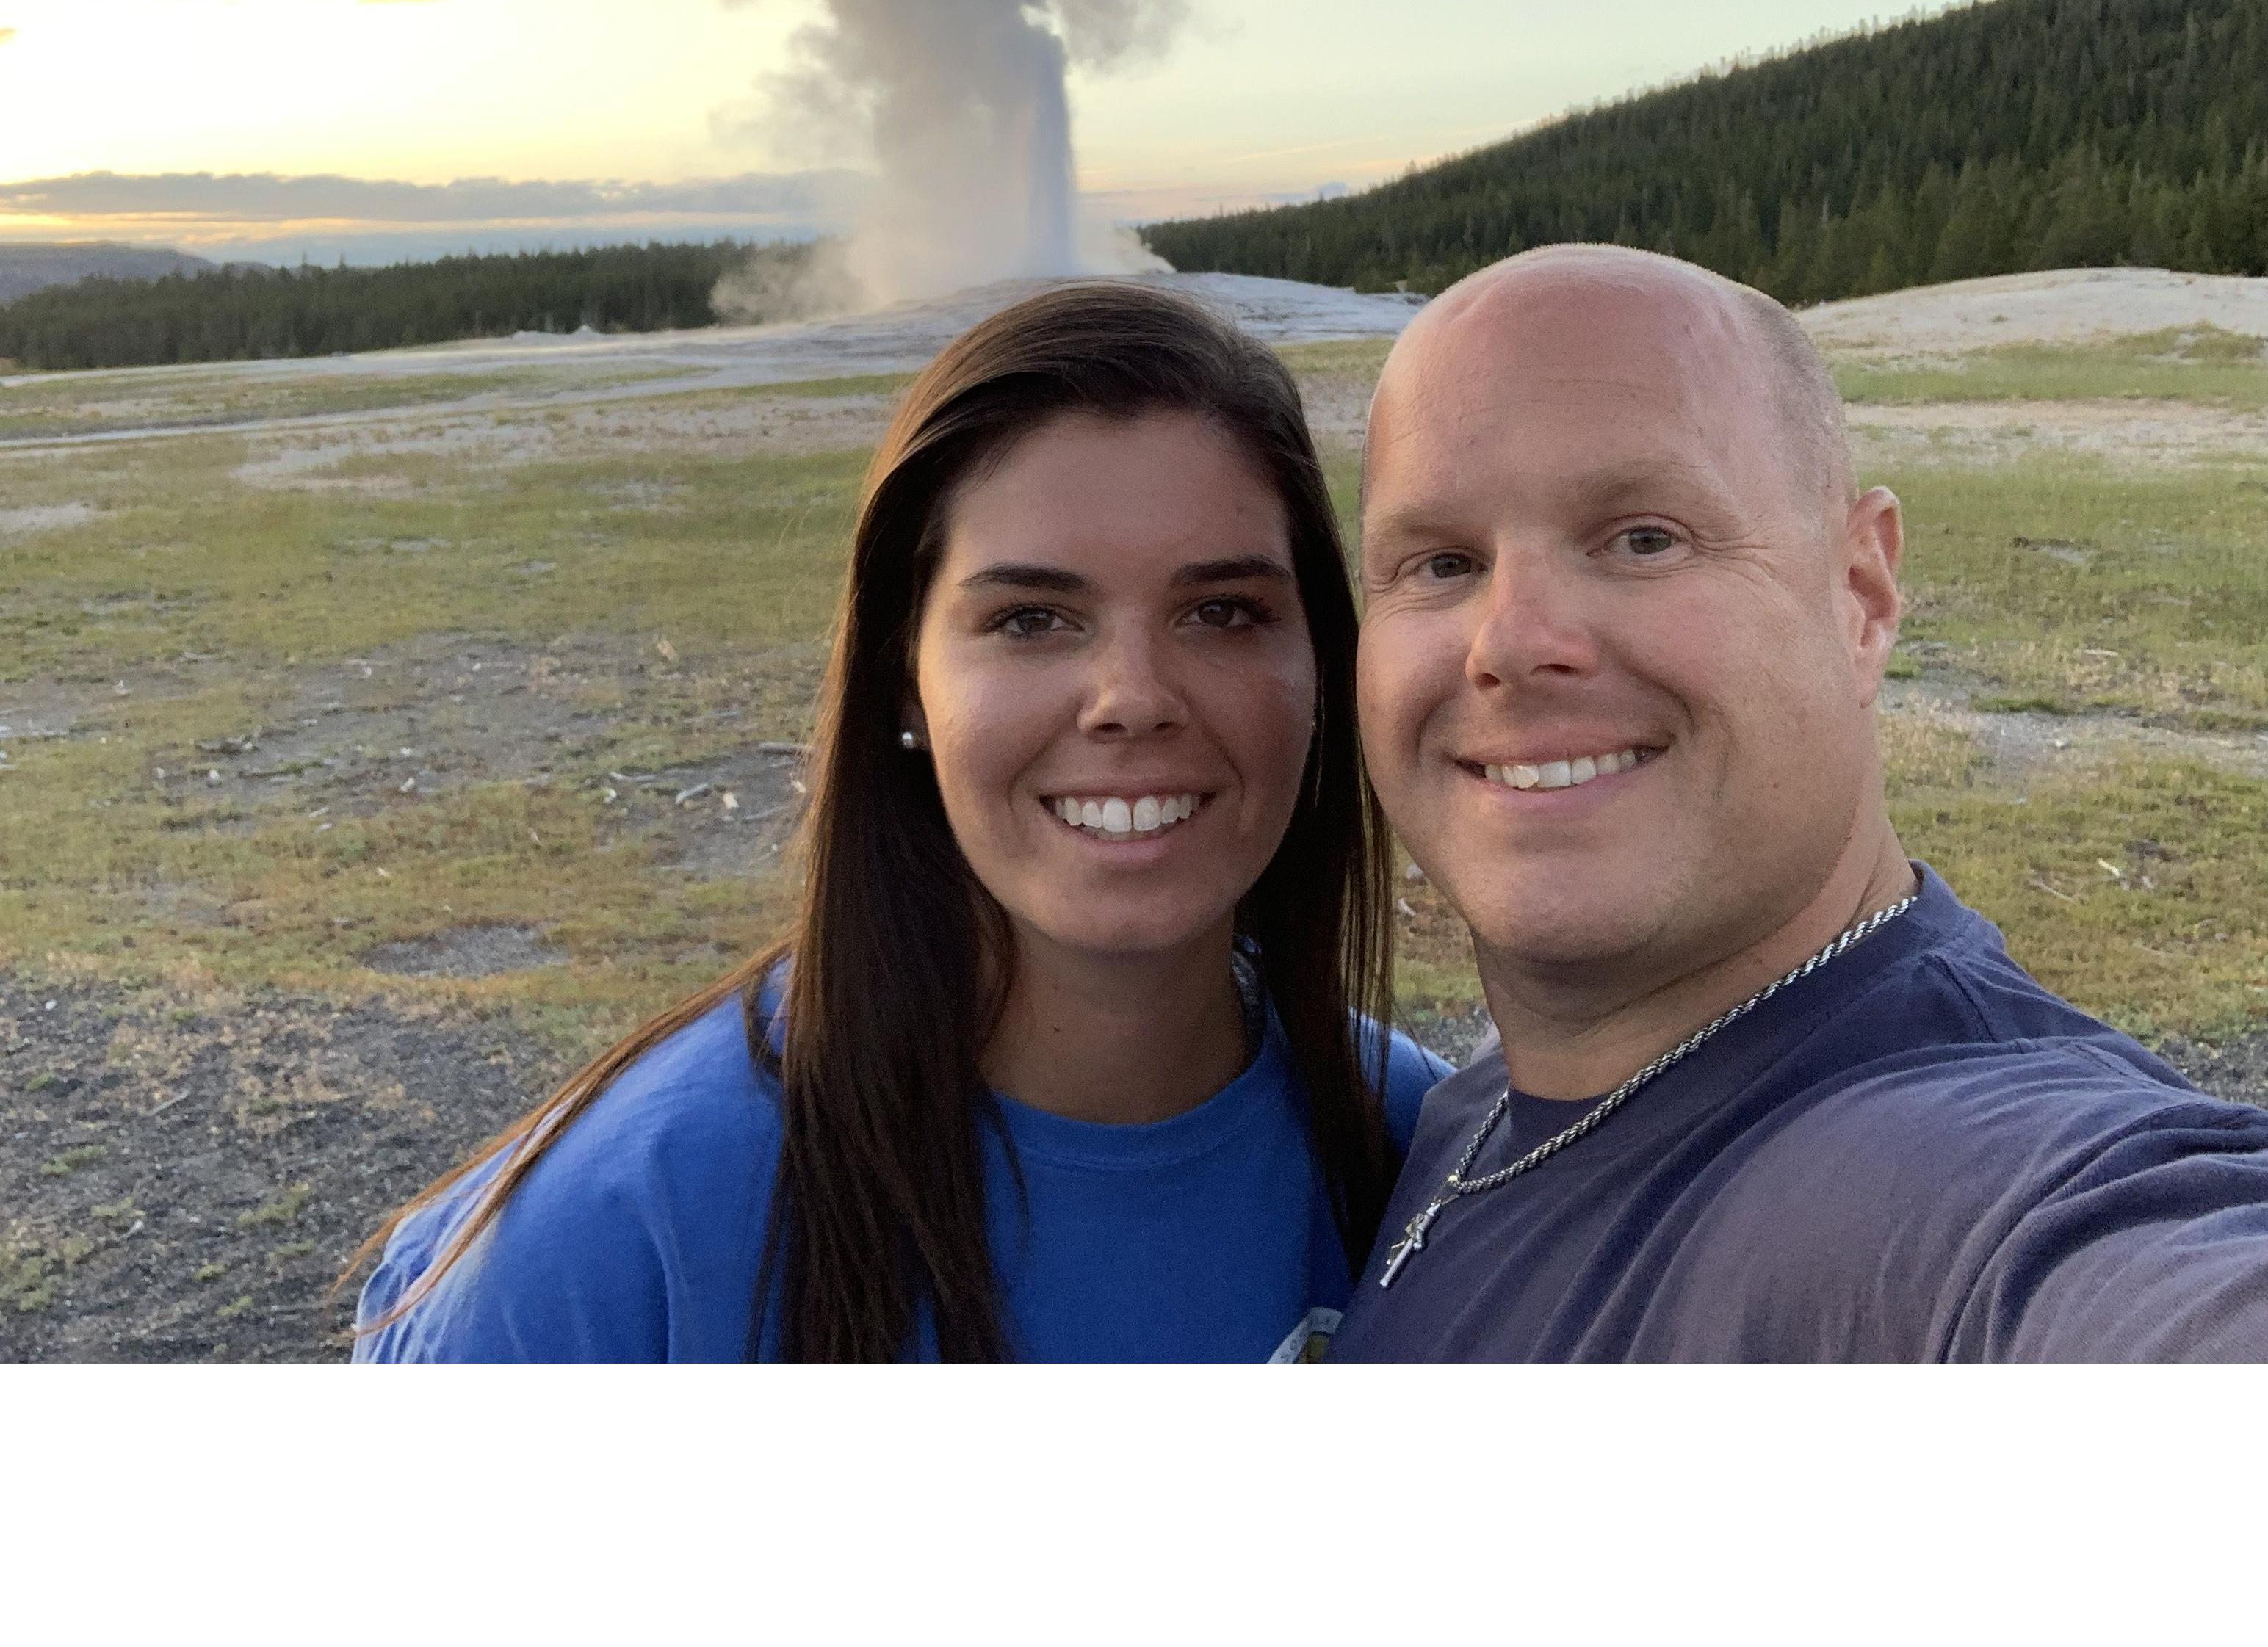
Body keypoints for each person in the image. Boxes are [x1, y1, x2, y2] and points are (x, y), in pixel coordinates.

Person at [353, 281, 1443, 1362]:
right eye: (1029, 620)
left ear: (1322, 665)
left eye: (1220, 612)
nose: (1132, 696)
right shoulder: (617, 1244)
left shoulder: (1418, 1151)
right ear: (905, 685)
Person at [1331, 242, 2268, 1362]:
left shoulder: (1967, 1196)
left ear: (1862, 599)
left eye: (1643, 539)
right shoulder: (1466, 1112)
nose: (1515, 642)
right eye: (1440, 563)